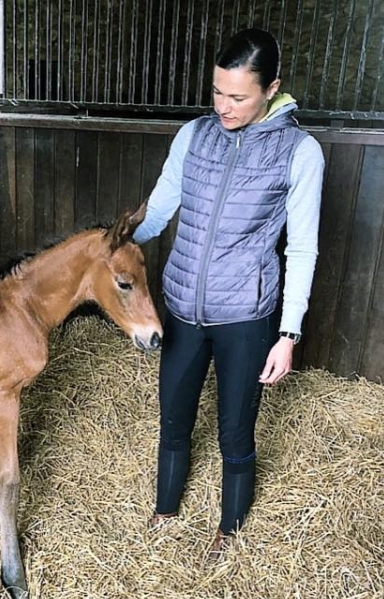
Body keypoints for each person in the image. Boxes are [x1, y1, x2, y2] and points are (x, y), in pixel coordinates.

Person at [134, 27, 325, 555]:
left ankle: (228, 529)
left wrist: (287, 335)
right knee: (173, 418)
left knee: (235, 431)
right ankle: (166, 509)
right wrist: (113, 242)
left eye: (238, 96)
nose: (224, 105)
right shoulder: (194, 135)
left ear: (271, 88)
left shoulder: (300, 152)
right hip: (184, 308)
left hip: (246, 315)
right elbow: (159, 209)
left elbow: (302, 249)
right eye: (217, 92)